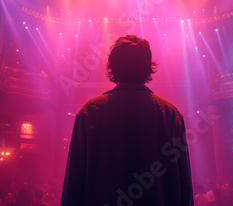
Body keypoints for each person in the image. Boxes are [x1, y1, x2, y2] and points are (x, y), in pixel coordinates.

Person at [60, 35, 194, 206]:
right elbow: (184, 187)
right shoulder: (170, 114)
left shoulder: (90, 112)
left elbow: (73, 184)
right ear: (148, 66)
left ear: (112, 66)